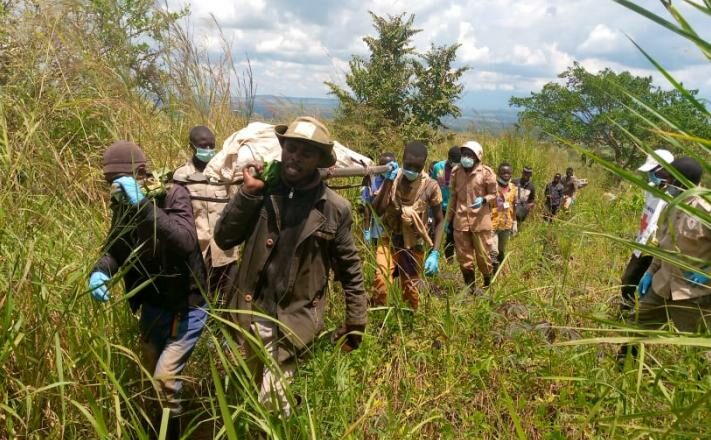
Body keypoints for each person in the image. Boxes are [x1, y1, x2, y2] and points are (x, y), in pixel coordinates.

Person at [214, 116, 367, 415]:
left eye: (306, 153)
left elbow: (350, 267)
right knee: (246, 394)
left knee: (272, 405)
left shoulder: (334, 209)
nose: (295, 157)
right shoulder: (262, 190)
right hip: (250, 312)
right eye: (291, 149)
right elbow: (224, 238)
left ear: (321, 161)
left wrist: (356, 320)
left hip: (293, 321)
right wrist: (248, 194)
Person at [88, 141, 207, 437]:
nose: (114, 187)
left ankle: (170, 434)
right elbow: (116, 247)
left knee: (165, 380)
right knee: (153, 375)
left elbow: (184, 241)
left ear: (141, 172)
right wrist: (100, 272)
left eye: (119, 180)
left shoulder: (174, 194)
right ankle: (157, 425)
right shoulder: (123, 205)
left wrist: (143, 206)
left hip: (186, 305)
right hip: (153, 305)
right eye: (110, 182)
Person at [633, 156, 710, 331]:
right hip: (661, 285)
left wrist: (708, 272)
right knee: (636, 329)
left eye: (671, 179)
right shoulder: (673, 205)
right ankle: (626, 358)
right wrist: (651, 271)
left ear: (682, 181)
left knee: (693, 348)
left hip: (692, 295)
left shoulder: (706, 210)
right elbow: (663, 243)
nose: (666, 183)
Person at [371, 141, 444, 310]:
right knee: (381, 281)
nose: (412, 169)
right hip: (389, 238)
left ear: (424, 165)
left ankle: (410, 319)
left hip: (413, 243)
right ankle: (377, 316)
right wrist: (388, 183)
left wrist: (435, 252)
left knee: (410, 288)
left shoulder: (431, 186)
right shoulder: (393, 178)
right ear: (402, 159)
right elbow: (377, 209)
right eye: (408, 165)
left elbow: (440, 220)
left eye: (417, 167)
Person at [173, 126, 239, 307]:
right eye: (204, 146)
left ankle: (225, 334)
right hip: (198, 251)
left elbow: (236, 206)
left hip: (226, 251)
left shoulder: (224, 173)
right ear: (192, 146)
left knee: (228, 299)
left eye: (212, 145)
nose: (209, 150)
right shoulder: (181, 176)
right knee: (201, 299)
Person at [619, 149, 674, 310]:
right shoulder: (650, 188)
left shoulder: (676, 196)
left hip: (659, 249)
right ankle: (626, 312)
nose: (651, 175)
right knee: (628, 280)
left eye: (654, 171)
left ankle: (640, 316)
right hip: (643, 244)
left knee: (652, 289)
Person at [448, 140, 497, 294]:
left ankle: (487, 284)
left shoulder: (486, 173)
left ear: (477, 157)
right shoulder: (456, 172)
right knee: (464, 258)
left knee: (483, 257)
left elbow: (494, 195)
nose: (466, 158)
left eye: (470, 155)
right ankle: (471, 289)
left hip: (480, 222)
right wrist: (447, 221)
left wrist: (484, 199)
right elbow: (452, 197)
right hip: (461, 222)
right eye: (464, 154)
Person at [431, 146, 461, 261]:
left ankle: (449, 258)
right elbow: (433, 184)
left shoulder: (461, 170)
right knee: (435, 231)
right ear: (449, 159)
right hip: (439, 205)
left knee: (452, 235)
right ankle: (432, 254)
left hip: (454, 207)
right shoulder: (438, 167)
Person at [361, 151, 396, 246]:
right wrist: (366, 230)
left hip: (394, 230)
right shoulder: (373, 181)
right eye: (382, 166)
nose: (385, 169)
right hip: (376, 230)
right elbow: (367, 207)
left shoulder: (397, 180)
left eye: (388, 166)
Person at [490, 162, 518, 275]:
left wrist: (515, 222)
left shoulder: (513, 188)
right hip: (492, 224)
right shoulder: (492, 187)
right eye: (503, 172)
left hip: (506, 225)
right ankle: (491, 277)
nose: (506, 175)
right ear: (498, 173)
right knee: (493, 252)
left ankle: (499, 273)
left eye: (508, 172)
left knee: (501, 250)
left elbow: (514, 205)